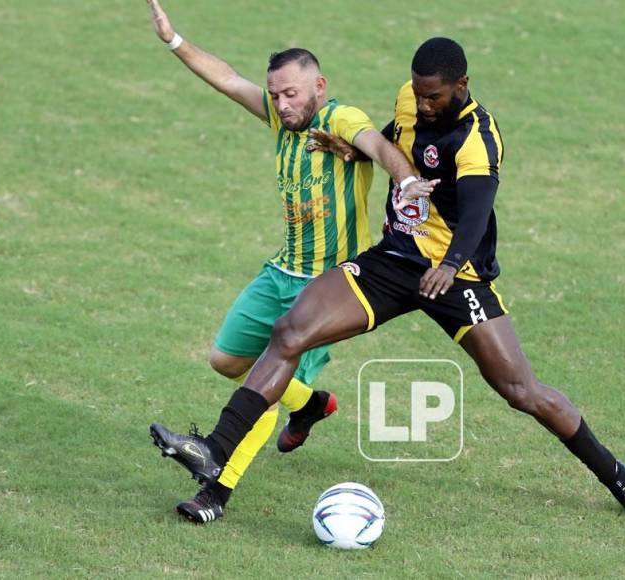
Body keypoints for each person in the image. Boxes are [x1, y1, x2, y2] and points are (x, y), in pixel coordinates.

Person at [153, 37, 625, 520]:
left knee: (521, 390)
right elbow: (394, 142)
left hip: (457, 277)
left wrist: (448, 265)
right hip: (394, 260)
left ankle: (619, 479)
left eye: (432, 96)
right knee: (289, 332)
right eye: (417, 93)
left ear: (461, 86)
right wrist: (352, 150)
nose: (421, 104)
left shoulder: (478, 139)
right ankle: (214, 450)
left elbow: (477, 216)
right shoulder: (410, 99)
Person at [144, 0, 436, 524]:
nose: (281, 102)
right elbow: (229, 80)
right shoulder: (283, 120)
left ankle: (215, 492)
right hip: (280, 270)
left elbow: (374, 142)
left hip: (328, 289)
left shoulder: (340, 118)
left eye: (291, 92)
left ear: (319, 86)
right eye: (275, 93)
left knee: (263, 382)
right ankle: (310, 403)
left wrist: (407, 178)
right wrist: (173, 40)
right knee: (226, 363)